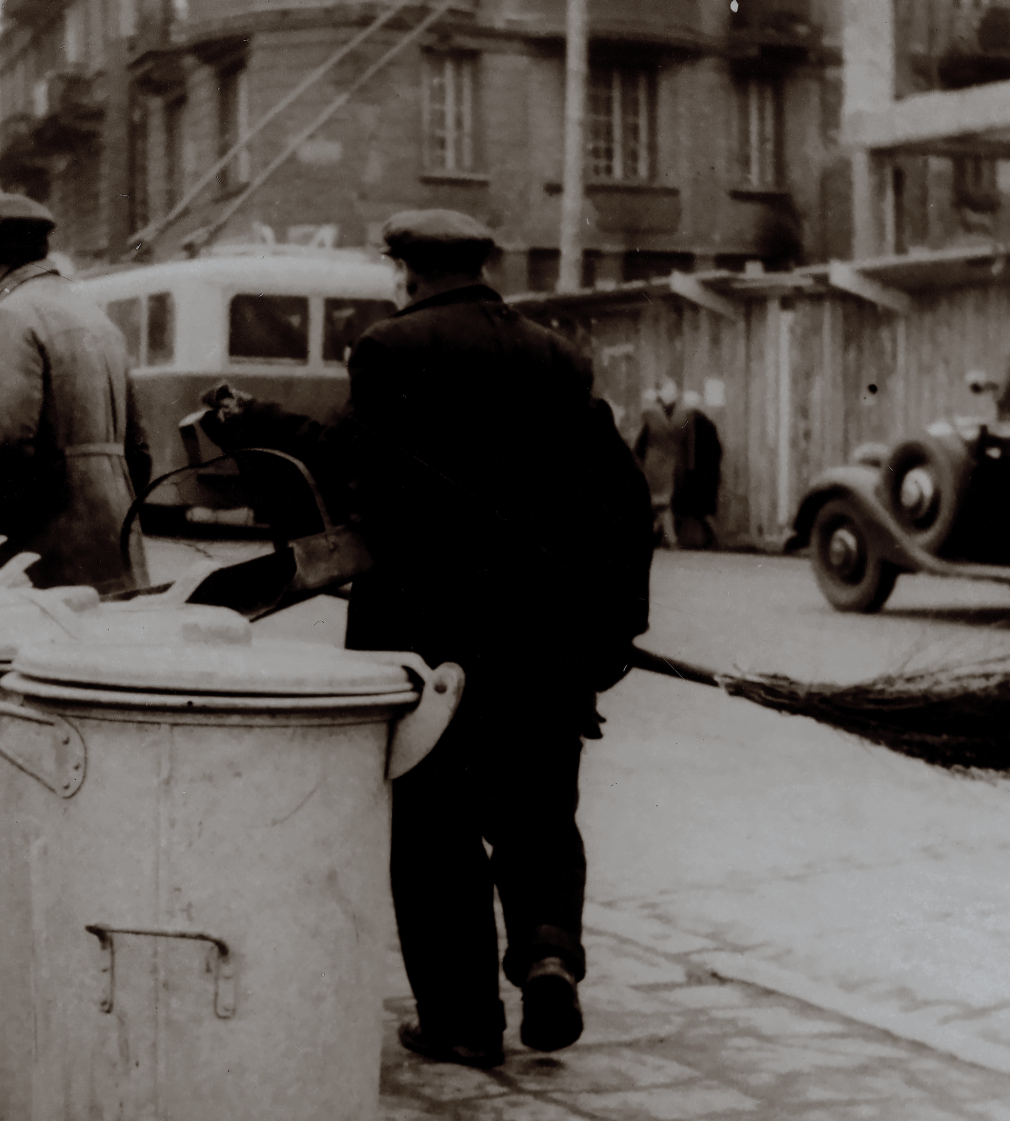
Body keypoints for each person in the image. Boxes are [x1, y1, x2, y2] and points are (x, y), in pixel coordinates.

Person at [198, 209, 653, 1069]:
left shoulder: (390, 349)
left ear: (403, 268)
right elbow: (623, 499)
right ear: (481, 266)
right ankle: (549, 949)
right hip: (547, 638)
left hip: (427, 639)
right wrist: (615, 627)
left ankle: (463, 1019)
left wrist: (255, 421)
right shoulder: (557, 355)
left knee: (435, 828)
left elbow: (351, 462)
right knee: (539, 813)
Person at [0, 194, 151, 594]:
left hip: (51, 547)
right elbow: (139, 451)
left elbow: (1, 441)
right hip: (115, 541)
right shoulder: (93, 314)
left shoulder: (11, 314)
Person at [634, 379, 684, 548]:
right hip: (658, 463)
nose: (673, 394)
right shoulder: (657, 413)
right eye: (670, 391)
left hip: (662, 462)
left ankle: (666, 538)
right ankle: (670, 539)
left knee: (659, 503)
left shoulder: (670, 413)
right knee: (659, 503)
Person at [671, 390, 722, 549]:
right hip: (706, 475)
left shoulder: (687, 424)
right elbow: (718, 451)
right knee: (701, 511)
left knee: (685, 509)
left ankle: (674, 538)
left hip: (693, 476)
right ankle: (712, 540)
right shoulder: (708, 424)